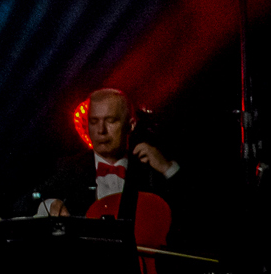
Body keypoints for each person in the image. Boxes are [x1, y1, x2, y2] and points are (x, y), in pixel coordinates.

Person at [35, 88, 179, 217]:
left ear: (131, 125)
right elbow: (27, 201)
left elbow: (188, 206)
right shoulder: (69, 168)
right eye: (94, 122)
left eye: (111, 121)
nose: (101, 130)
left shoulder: (149, 169)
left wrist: (168, 169)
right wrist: (49, 204)